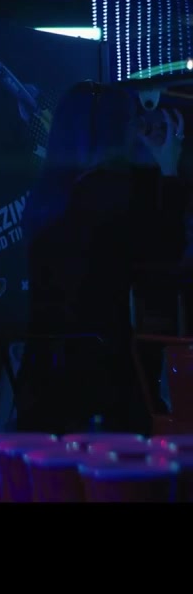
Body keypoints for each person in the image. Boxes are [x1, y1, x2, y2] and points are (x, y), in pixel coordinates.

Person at [21, 81, 188, 434]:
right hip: (106, 382)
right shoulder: (109, 195)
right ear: (113, 129)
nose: (137, 128)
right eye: (131, 121)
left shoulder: (49, 197)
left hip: (49, 379)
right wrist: (169, 169)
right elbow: (166, 259)